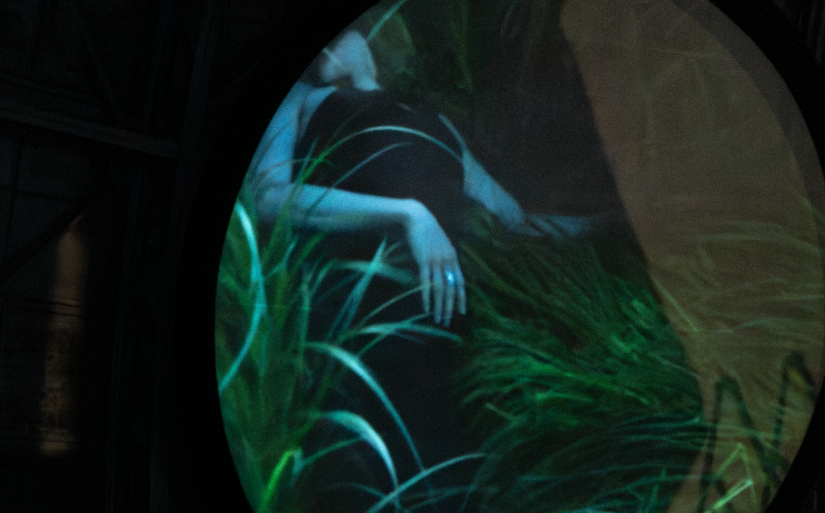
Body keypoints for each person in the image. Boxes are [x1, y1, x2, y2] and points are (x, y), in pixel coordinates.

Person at [250, 28, 588, 327]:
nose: (328, 46)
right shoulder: (300, 95)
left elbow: (514, 220)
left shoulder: (433, 117)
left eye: (340, 34)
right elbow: (267, 198)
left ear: (370, 44)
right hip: (377, 300)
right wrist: (410, 214)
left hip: (475, 296)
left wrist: (608, 225)